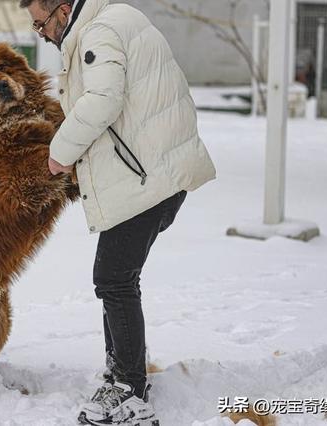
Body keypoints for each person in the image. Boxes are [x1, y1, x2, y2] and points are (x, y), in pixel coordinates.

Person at [20, 0, 217, 424]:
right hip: (155, 173)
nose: (42, 33)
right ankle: (122, 374)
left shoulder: (99, 32)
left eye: (41, 24)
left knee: (113, 277)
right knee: (117, 276)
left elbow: (105, 98)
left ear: (63, 8)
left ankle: (129, 390)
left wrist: (61, 152)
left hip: (147, 180)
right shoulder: (112, 20)